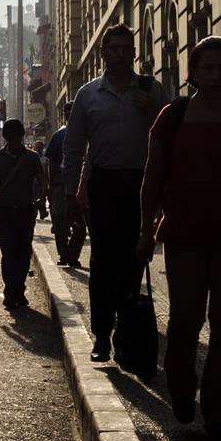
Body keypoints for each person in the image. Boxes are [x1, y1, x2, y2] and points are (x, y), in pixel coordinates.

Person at [138, 36, 221, 441]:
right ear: (194, 73)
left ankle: (220, 411)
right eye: (208, 68)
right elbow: (152, 177)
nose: (217, 75)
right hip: (183, 237)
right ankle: (182, 384)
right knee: (184, 318)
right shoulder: (173, 116)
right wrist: (145, 230)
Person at [63, 23, 167, 362]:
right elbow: (74, 147)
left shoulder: (153, 91)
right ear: (104, 54)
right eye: (114, 48)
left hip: (142, 187)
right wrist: (70, 193)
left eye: (126, 48)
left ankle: (127, 330)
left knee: (135, 260)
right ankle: (101, 337)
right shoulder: (88, 95)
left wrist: (153, 112)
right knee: (103, 264)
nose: (121, 54)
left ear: (134, 52)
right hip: (104, 188)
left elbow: (173, 139)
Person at [0, 119, 45, 309]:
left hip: (25, 212)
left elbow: (42, 180)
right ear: (7, 137)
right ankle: (11, 291)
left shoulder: (32, 158)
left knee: (24, 253)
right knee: (9, 253)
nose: (14, 139)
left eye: (16, 135)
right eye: (12, 135)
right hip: (3, 213)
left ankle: (19, 289)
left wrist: (40, 200)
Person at [44, 103, 86, 267]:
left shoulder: (62, 135)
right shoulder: (63, 135)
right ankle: (69, 255)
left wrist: (50, 187)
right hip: (66, 186)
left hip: (69, 186)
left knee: (66, 224)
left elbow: (51, 165)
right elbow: (51, 164)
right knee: (72, 225)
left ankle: (66, 255)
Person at [32, 139, 49, 220]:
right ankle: (34, 213)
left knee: (42, 196)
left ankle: (42, 211)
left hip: (42, 181)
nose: (38, 149)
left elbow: (47, 171)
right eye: (37, 147)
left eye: (40, 148)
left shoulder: (45, 158)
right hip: (33, 181)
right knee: (33, 197)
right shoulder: (31, 157)